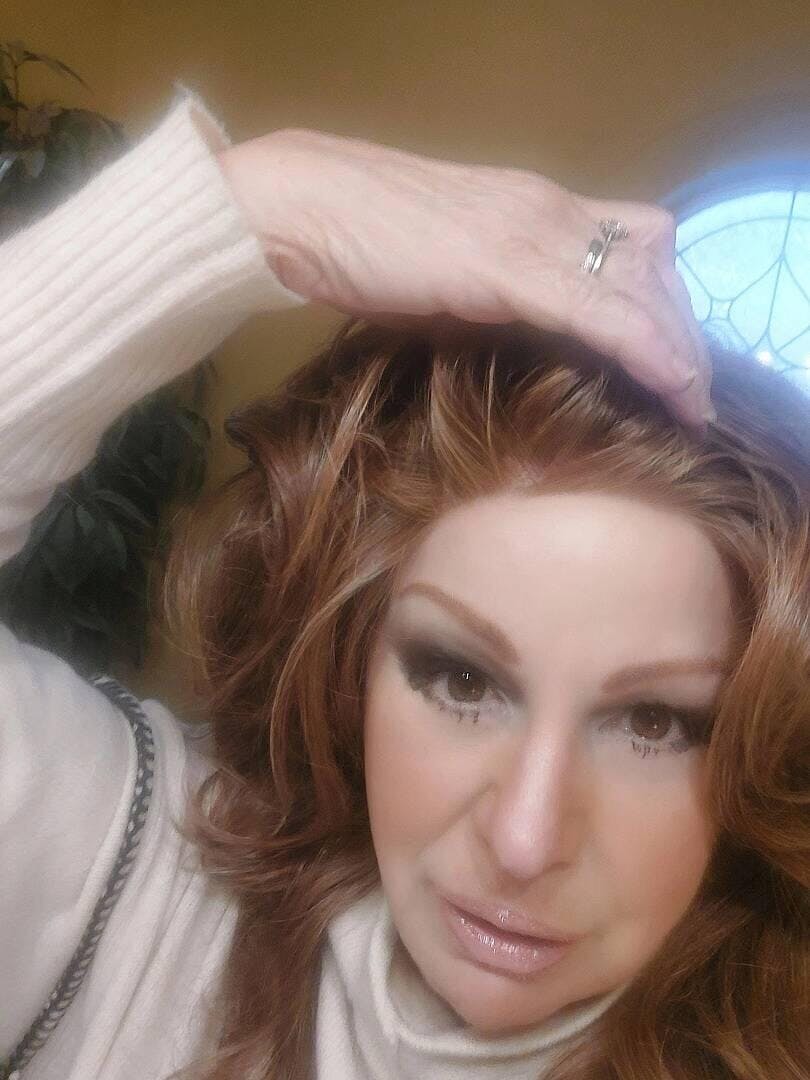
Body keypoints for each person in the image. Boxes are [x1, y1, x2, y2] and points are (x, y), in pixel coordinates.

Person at [0, 85, 805, 1080]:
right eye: (462, 680)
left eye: (657, 723)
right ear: (351, 661)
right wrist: (268, 203)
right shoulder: (133, 890)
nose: (524, 841)